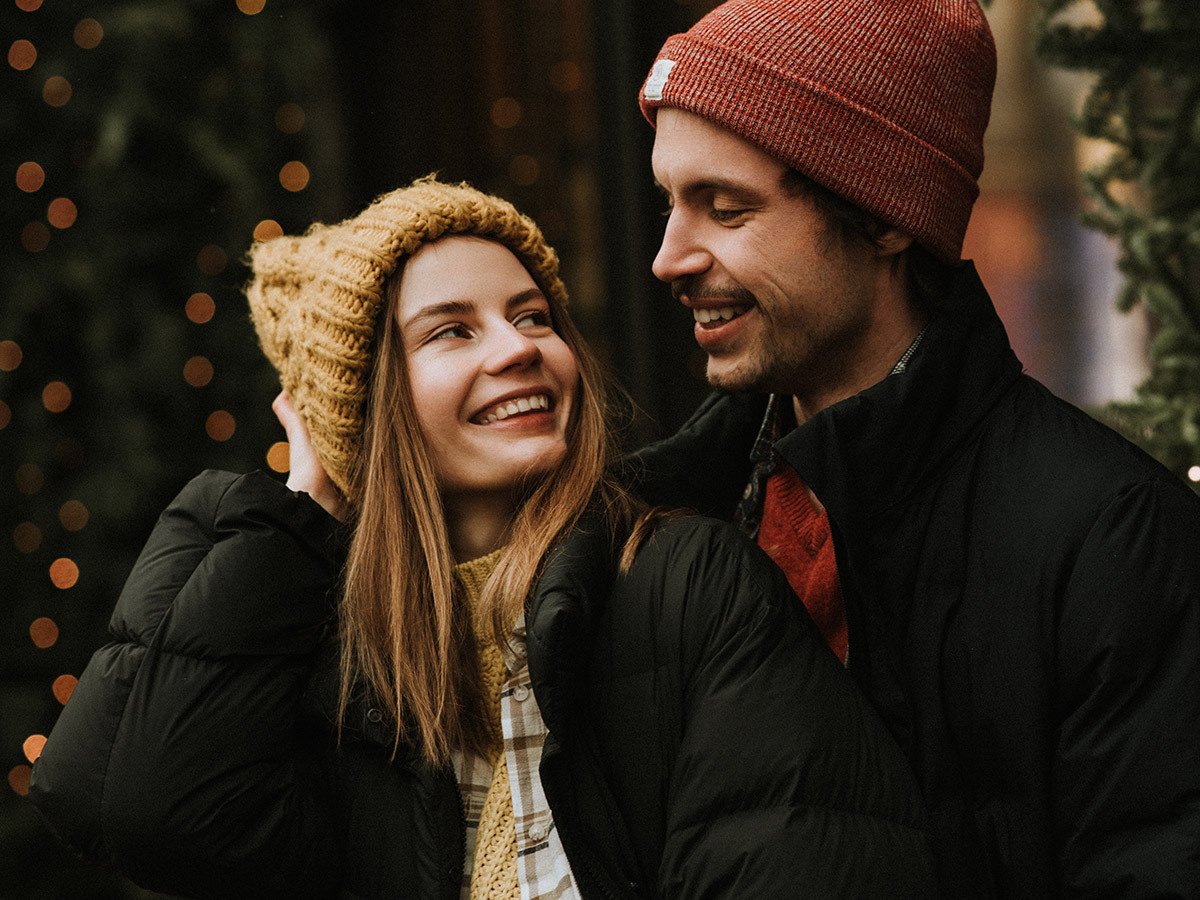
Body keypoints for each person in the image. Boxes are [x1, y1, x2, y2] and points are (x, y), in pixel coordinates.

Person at [28, 177, 935, 898]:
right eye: (452, 331)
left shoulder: (683, 584)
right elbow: (137, 806)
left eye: (533, 316)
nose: (517, 348)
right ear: (367, 411)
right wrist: (304, 501)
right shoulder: (350, 662)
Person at [630, 1, 1200, 896]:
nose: (669, 256)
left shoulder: (1112, 542)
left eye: (726, 209)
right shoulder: (669, 522)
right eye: (671, 202)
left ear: (886, 218)